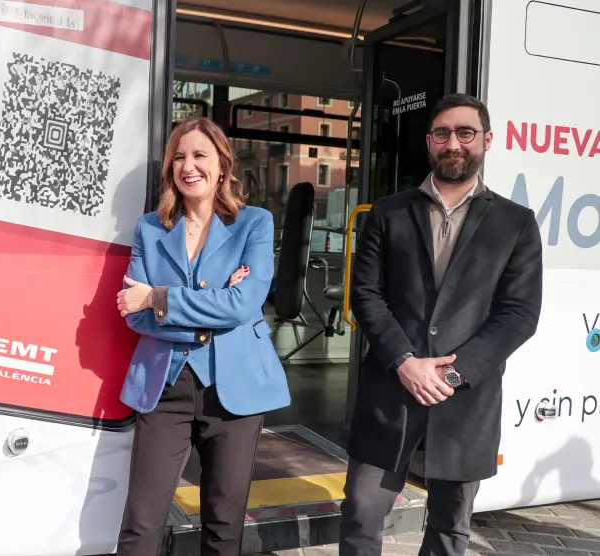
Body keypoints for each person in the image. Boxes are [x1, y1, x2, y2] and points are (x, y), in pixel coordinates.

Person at [340, 93, 543, 556]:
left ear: (487, 140)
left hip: (465, 400)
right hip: (390, 392)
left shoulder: (515, 223)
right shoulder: (387, 213)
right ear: (429, 141)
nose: (454, 143)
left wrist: (452, 374)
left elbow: (519, 314)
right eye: (442, 133)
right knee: (361, 513)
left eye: (466, 132)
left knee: (450, 528)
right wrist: (405, 362)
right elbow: (366, 295)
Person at [114, 116, 291, 556]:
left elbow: (243, 304)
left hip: (236, 389)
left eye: (199, 155)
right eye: (179, 157)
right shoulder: (150, 228)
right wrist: (209, 309)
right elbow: (133, 315)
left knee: (223, 525)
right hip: (165, 387)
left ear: (222, 165)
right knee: (141, 524)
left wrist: (157, 297)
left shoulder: (254, 223)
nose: (188, 166)